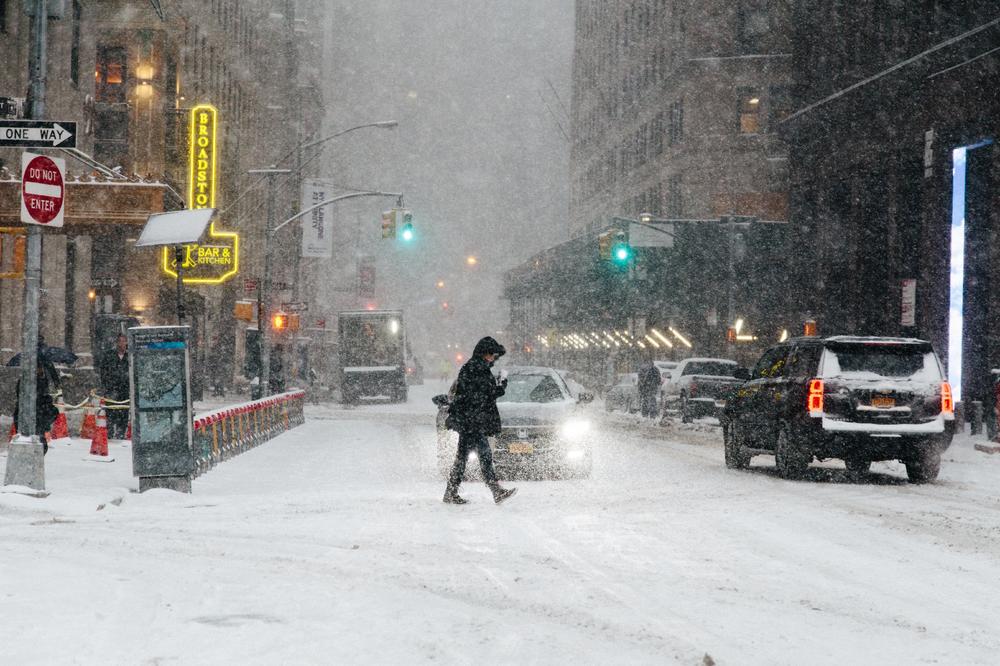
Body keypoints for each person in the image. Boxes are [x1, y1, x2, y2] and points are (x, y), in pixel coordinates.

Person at [443, 336, 517, 505]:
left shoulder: (475, 367)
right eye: (492, 354)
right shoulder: (477, 368)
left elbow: (479, 393)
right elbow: (483, 395)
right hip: (472, 420)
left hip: (469, 419)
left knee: (462, 458)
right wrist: (501, 387)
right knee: (484, 455)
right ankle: (495, 490)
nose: (493, 358)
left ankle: (451, 492)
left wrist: (495, 387)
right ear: (485, 354)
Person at [13, 342, 60, 455]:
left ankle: (30, 464)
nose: (42, 370)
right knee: (38, 445)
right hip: (34, 417)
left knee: (37, 444)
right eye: (40, 368)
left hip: (31, 417)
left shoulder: (31, 380)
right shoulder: (34, 381)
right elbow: (40, 398)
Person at [99, 333, 131, 439]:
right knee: (111, 410)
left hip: (125, 389)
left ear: (126, 342)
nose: (121, 344)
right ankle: (110, 430)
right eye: (119, 341)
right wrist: (107, 384)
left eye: (123, 341)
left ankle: (121, 431)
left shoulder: (130, 356)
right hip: (111, 388)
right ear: (116, 343)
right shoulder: (109, 355)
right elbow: (103, 371)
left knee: (124, 411)